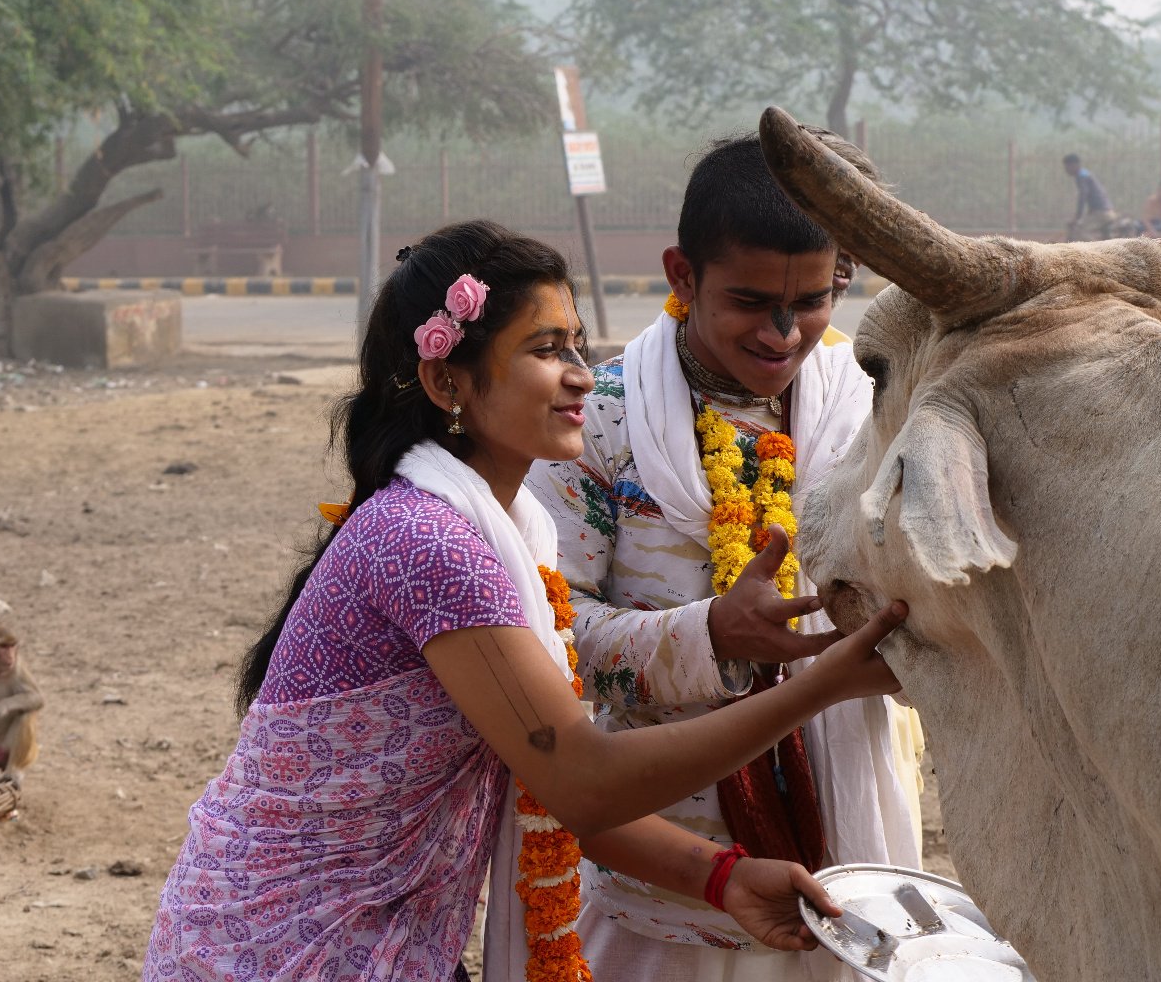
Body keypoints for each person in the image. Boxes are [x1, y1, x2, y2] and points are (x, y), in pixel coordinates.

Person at [141, 220, 907, 982]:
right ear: (447, 383)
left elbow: (556, 781)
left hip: (379, 936)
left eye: (576, 345)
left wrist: (722, 877)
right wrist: (823, 684)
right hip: (281, 945)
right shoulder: (429, 541)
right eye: (545, 351)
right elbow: (580, 778)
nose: (581, 376)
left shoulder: (506, 529)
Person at [528, 133, 926, 981]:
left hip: (845, 864)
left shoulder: (873, 411)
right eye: (750, 302)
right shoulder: (594, 423)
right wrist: (709, 635)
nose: (784, 334)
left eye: (812, 301)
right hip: (663, 882)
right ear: (682, 275)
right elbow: (549, 641)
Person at [1063, 152, 1116, 239]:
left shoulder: (1081, 176)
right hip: (1105, 211)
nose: (1066, 170)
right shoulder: (1085, 174)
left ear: (1074, 165)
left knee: (1077, 231)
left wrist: (1077, 216)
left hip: (1101, 213)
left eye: (1067, 167)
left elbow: (1083, 196)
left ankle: (1094, 248)